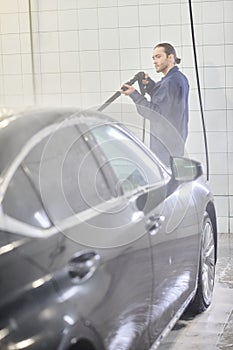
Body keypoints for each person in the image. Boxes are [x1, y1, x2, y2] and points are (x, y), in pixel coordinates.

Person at [121, 42, 189, 167]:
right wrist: (150, 85)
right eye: (153, 58)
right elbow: (165, 102)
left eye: (158, 56)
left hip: (165, 146)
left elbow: (156, 113)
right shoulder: (177, 78)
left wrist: (134, 94)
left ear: (170, 57)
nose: (154, 61)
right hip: (172, 143)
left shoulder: (171, 82)